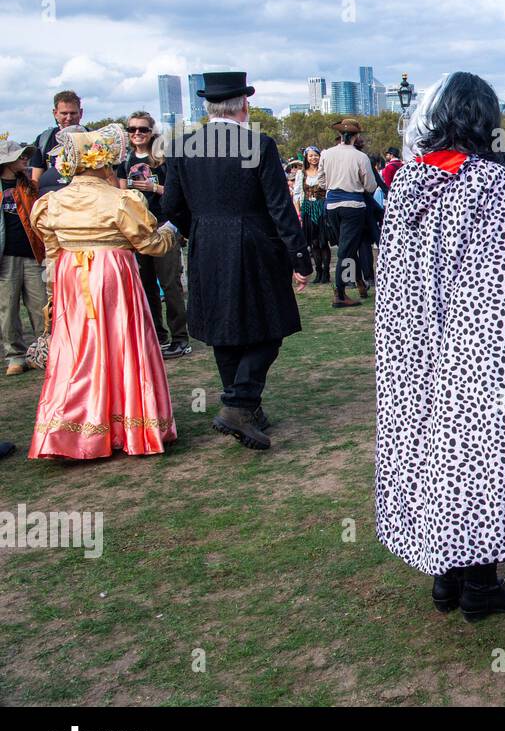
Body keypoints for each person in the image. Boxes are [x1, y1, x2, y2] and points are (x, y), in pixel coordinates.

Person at [375, 71, 505, 622]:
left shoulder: (405, 183)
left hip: (410, 346)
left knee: (427, 454)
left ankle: (444, 576)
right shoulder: (489, 183)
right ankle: (480, 585)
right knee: (478, 458)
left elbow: (394, 276)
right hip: (477, 347)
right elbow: (503, 283)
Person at [162, 71, 312, 450]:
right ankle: (238, 403)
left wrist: (194, 229)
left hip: (206, 245)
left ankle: (247, 408)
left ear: (208, 107)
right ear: (243, 105)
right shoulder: (259, 144)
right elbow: (280, 208)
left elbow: (171, 208)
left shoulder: (181, 147)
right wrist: (299, 256)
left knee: (225, 331)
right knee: (270, 328)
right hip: (254, 245)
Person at [28, 125, 180, 459]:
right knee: (122, 343)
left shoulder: (51, 203)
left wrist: (55, 285)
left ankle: (74, 427)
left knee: (77, 348)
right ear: (101, 162)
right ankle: (130, 424)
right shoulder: (122, 200)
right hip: (112, 274)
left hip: (71, 276)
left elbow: (52, 250)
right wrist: (173, 228)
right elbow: (150, 243)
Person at [119, 112, 190, 358]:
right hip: (137, 229)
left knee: (170, 284)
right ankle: (157, 337)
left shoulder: (163, 158)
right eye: (132, 130)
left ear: (152, 132)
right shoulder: (124, 160)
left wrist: (153, 187)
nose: (137, 134)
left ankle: (180, 338)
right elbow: (119, 195)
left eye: (143, 130)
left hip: (163, 226)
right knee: (146, 285)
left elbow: (178, 191)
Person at [319, 118, 378, 307]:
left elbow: (321, 181)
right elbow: (370, 185)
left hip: (332, 205)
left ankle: (359, 283)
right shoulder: (360, 157)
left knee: (347, 247)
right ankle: (340, 291)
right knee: (346, 250)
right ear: (356, 136)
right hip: (353, 205)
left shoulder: (327, 154)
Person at [0, 138, 46, 376]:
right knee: (8, 309)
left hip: (32, 254)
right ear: (7, 162)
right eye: (20, 156)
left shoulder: (29, 185)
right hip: (5, 259)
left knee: (41, 306)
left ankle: (44, 351)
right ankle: (15, 356)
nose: (25, 159)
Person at [293, 147, 333, 284]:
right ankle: (319, 271)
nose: (313, 158)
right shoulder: (301, 174)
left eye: (316, 155)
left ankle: (326, 272)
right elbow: (297, 194)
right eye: (310, 156)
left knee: (323, 241)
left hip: (321, 207)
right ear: (306, 157)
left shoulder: (324, 172)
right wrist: (299, 211)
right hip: (308, 209)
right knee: (314, 242)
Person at [30, 90, 84, 172]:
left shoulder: (94, 138)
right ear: (55, 113)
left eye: (73, 113)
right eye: (64, 113)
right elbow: (36, 179)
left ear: (81, 113)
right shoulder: (43, 140)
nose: (69, 118)